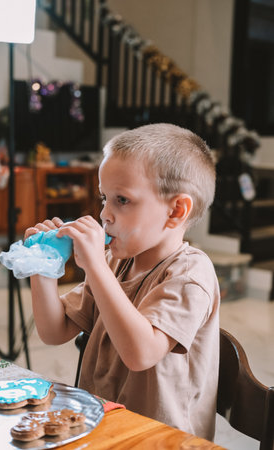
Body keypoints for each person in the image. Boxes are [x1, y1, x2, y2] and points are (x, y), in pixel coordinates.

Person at [25, 123, 220, 441]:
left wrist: (96, 268)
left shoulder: (188, 275)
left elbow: (141, 353)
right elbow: (53, 331)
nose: (105, 214)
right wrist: (43, 267)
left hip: (160, 441)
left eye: (122, 200)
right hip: (104, 429)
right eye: (104, 198)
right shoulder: (116, 262)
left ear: (176, 211)